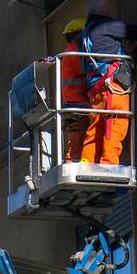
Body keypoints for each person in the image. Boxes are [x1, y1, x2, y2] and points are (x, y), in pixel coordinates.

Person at [79, 0, 137, 166]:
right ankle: (109, 164)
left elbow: (102, 52)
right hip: (111, 86)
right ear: (102, 12)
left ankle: (87, 163)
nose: (111, 14)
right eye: (109, 11)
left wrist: (124, 51)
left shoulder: (84, 36)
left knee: (96, 128)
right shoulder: (104, 25)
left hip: (95, 88)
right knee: (114, 123)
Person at [59, 16, 89, 163]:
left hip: (72, 100)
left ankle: (72, 160)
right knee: (77, 133)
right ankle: (73, 161)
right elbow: (83, 70)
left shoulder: (68, 51)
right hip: (77, 100)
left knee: (75, 134)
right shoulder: (74, 51)